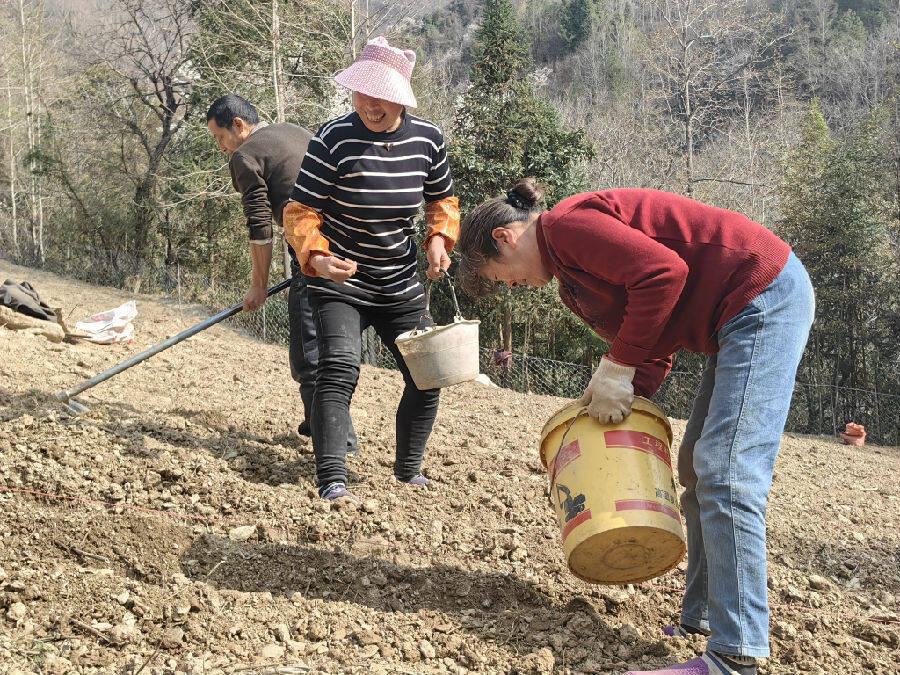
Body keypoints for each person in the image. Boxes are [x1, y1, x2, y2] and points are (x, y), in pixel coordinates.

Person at [456, 179, 815, 675]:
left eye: (500, 277)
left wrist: (616, 368)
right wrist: (619, 396)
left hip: (762, 294)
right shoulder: (572, 286)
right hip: (729, 319)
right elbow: (654, 344)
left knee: (727, 472)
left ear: (506, 237)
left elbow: (665, 273)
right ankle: (701, 620)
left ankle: (735, 656)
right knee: (695, 468)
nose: (510, 288)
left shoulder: (566, 226)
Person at [283, 37, 459, 501]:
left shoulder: (428, 140)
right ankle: (332, 478)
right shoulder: (333, 138)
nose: (369, 104)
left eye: (381, 95)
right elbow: (300, 211)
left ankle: (409, 470)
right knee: (339, 367)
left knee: (428, 373)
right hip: (341, 280)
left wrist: (438, 240)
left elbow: (442, 201)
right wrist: (317, 257)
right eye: (362, 92)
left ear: (402, 97)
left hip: (399, 281)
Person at [206, 94, 357, 451]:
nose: (221, 147)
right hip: (355, 240)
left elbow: (260, 228)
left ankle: (336, 441)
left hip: (316, 246)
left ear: (238, 125)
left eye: (219, 137)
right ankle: (319, 422)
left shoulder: (245, 156)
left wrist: (258, 286)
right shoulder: (292, 130)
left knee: (309, 350)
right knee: (333, 343)